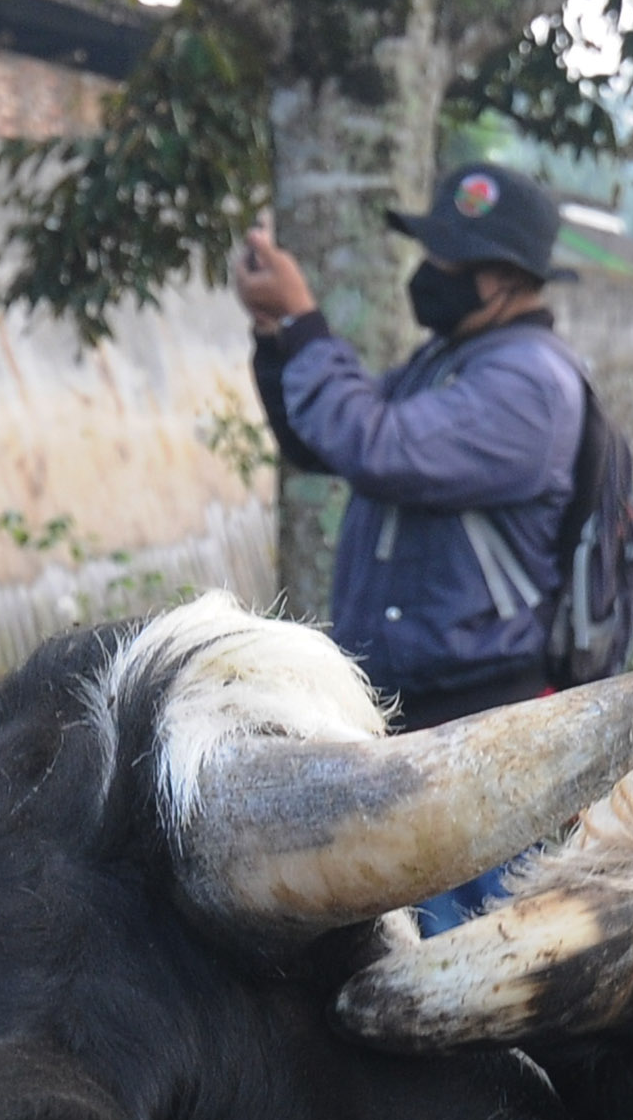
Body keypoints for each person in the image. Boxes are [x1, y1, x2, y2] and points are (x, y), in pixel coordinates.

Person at [239, 160, 587, 731]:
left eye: (445, 258)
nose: (428, 272)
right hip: (407, 699)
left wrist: (304, 318)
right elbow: (326, 443)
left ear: (503, 278)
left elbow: (381, 449)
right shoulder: (452, 358)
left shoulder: (530, 383)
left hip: (476, 708)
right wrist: (276, 333)